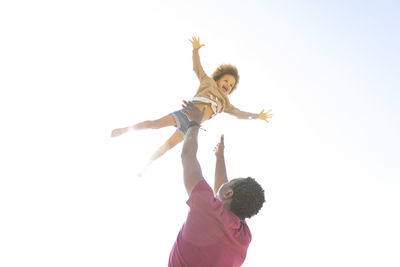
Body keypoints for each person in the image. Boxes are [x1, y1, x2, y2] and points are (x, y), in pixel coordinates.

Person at [111, 37, 272, 173]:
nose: (227, 85)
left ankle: (145, 166)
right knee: (154, 124)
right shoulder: (208, 81)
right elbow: (197, 68)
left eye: (231, 85)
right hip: (185, 114)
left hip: (191, 128)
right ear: (218, 79)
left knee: (166, 146)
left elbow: (240, 114)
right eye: (226, 81)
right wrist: (195, 51)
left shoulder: (226, 104)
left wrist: (256, 116)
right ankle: (124, 130)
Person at [168, 100, 265, 267]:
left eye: (231, 182)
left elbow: (188, 156)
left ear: (229, 193)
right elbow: (223, 192)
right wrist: (220, 157)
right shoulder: (243, 237)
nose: (226, 182)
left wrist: (194, 123)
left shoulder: (205, 205)